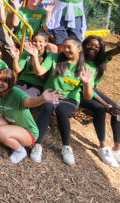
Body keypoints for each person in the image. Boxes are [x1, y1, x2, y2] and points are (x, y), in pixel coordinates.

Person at [80, 22, 120, 172]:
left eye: (96, 47)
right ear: (83, 45)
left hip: (92, 90)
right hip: (79, 91)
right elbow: (87, 90)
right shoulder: (79, 61)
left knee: (119, 110)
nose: (92, 48)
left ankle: (118, 150)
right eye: (89, 45)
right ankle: (103, 148)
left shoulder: (100, 59)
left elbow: (118, 49)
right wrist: (107, 106)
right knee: (101, 109)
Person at [0, 60, 61, 164]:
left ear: (11, 84)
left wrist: (42, 98)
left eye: (5, 81)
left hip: (28, 132)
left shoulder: (17, 93)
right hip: (12, 122)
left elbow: (29, 101)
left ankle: (20, 150)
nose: (0, 83)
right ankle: (4, 137)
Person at [29, 37, 95, 165]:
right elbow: (39, 71)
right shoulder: (54, 57)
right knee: (47, 107)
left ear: (79, 48)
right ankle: (37, 145)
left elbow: (88, 96)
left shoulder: (85, 67)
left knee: (61, 110)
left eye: (69, 47)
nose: (65, 50)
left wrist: (87, 84)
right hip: (51, 93)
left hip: (69, 98)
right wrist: (35, 57)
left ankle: (66, 146)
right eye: (64, 46)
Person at [9, 33, 56, 98]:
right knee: (14, 94)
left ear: (46, 43)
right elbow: (17, 70)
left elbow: (42, 76)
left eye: (40, 42)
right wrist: (15, 59)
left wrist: (35, 59)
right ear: (31, 42)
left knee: (26, 97)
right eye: (35, 41)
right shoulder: (26, 52)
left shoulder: (49, 55)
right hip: (24, 80)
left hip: (38, 84)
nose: (37, 44)